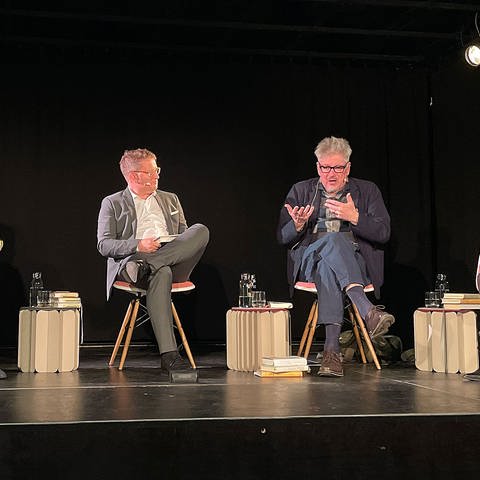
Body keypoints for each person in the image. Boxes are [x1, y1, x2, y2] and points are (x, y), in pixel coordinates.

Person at [277, 136, 395, 377]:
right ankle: (367, 310)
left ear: (348, 168)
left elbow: (383, 233)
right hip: (310, 258)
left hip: (355, 262)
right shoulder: (300, 191)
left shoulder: (367, 190)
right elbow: (282, 237)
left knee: (328, 267)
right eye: (325, 167)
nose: (331, 173)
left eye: (338, 167)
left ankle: (331, 354)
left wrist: (356, 218)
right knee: (331, 240)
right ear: (318, 166)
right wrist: (297, 226)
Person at [97, 148, 209, 374]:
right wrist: (138, 245)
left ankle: (151, 265)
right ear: (134, 176)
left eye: (157, 169)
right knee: (162, 273)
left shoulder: (170, 199)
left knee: (200, 230)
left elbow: (185, 236)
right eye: (152, 171)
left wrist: (166, 250)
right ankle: (169, 356)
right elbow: (104, 245)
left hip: (167, 259)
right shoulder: (112, 203)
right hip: (135, 259)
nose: (158, 174)